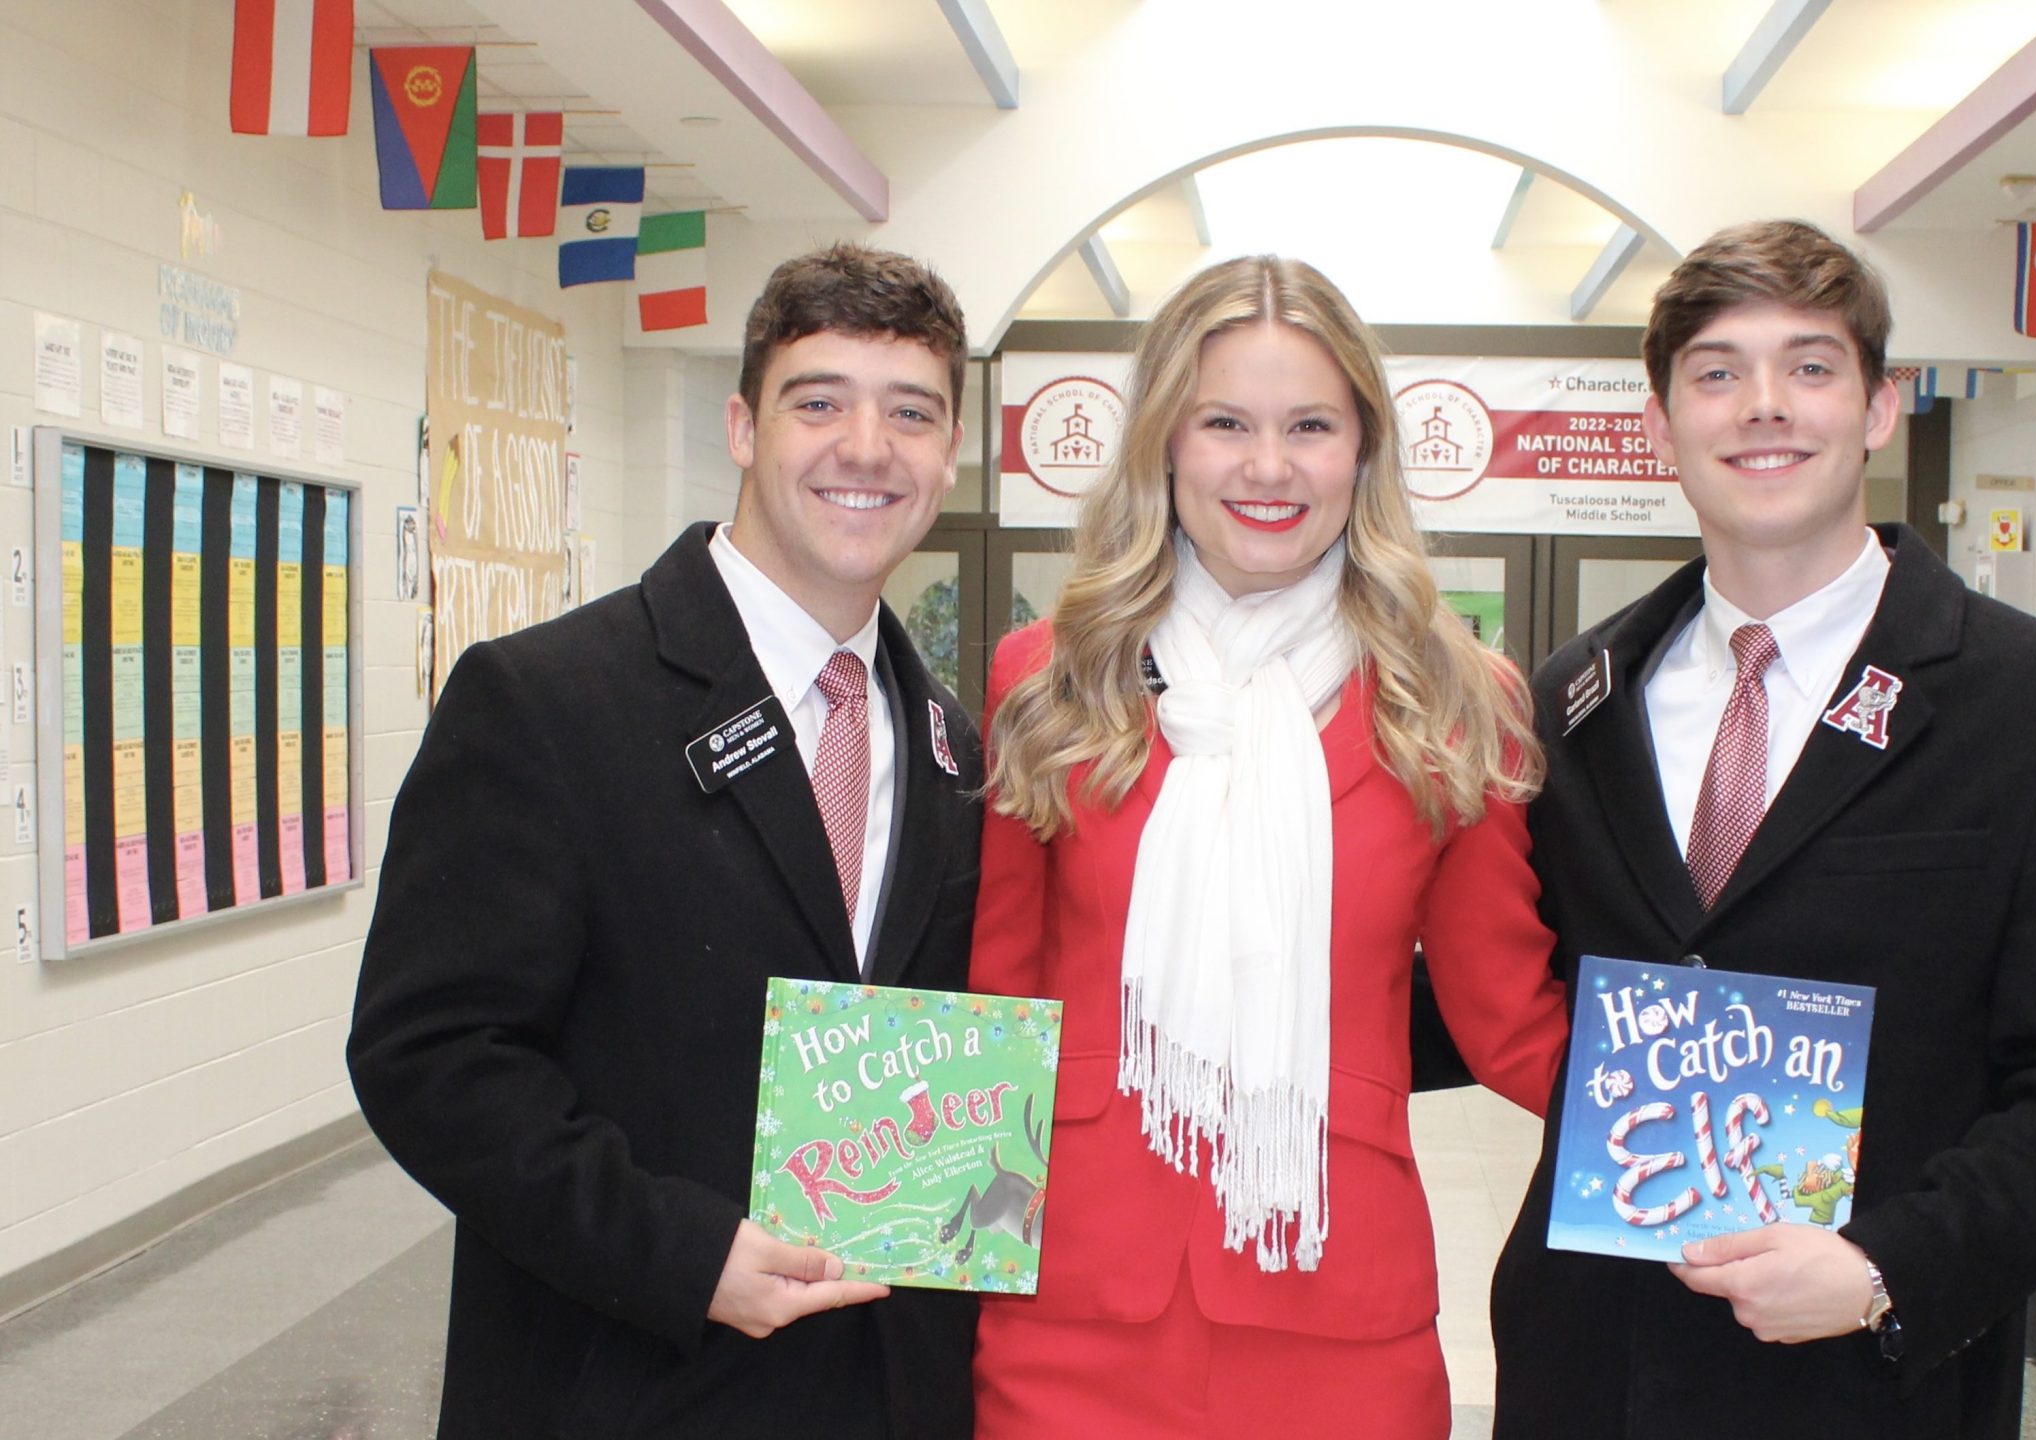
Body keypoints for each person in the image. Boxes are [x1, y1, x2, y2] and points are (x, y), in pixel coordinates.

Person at [1489, 219, 2036, 1438]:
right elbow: (1502, 981)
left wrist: (1885, 1270)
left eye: (1809, 366)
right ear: (1660, 427)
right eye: (1716, 372)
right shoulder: (1568, 701)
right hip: (1592, 1362)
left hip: (1864, 1384)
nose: (1764, 406)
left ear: (1876, 408)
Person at [348, 243, 982, 1439]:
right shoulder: (548, 702)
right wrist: (686, 1255)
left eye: (910, 412)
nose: (866, 446)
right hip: (623, 1377)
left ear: (948, 455)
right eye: (819, 402)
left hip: (881, 1392)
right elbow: (428, 1056)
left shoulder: (956, 748)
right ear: (743, 428)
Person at [968, 255, 1570, 1440]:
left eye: (1310, 426)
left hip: (1335, 1301)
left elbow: (1506, 1010)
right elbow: (1000, 994)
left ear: (1362, 452)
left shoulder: (1451, 698)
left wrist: (1744, 1147)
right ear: (1165, 445)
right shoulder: (1049, 678)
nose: (1268, 466)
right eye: (1225, 424)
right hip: (1070, 1307)